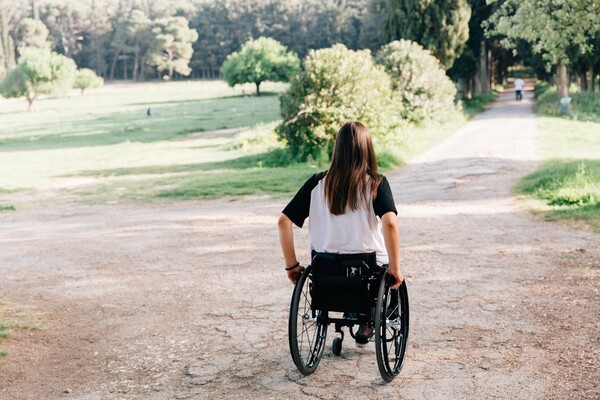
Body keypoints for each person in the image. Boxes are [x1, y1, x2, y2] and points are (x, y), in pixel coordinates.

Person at [278, 120, 404, 345]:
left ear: (337, 149)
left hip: (325, 267)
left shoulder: (317, 183)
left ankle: (351, 312)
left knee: (344, 276)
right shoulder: (375, 183)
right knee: (391, 275)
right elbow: (391, 224)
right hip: (368, 267)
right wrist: (395, 266)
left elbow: (283, 221)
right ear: (367, 149)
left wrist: (292, 265)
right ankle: (369, 322)